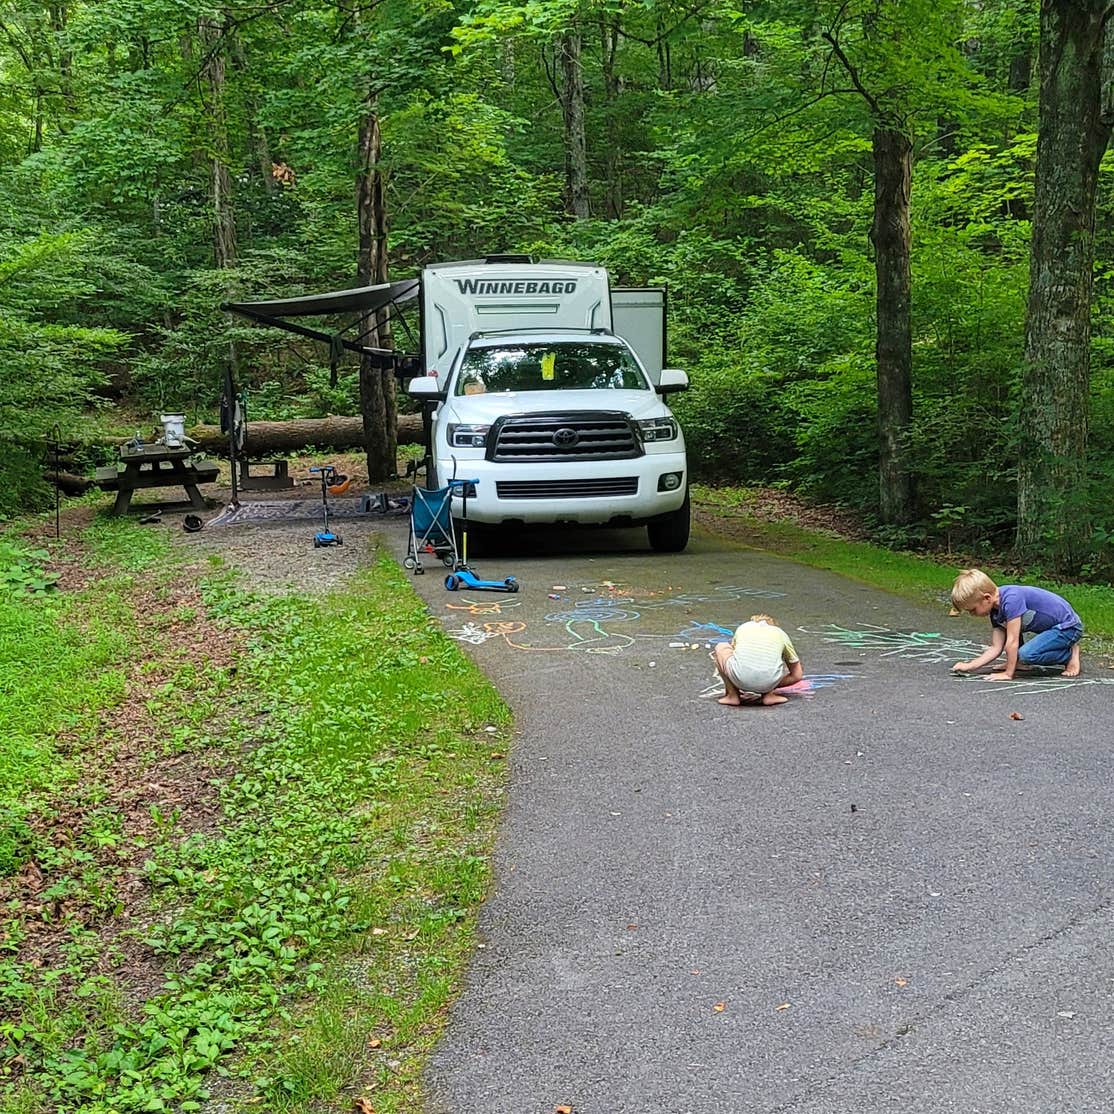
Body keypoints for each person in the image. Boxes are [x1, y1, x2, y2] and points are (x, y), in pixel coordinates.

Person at [950, 568, 1083, 680]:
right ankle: (1018, 662)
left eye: (973, 610)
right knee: (1019, 650)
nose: (972, 614)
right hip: (1051, 630)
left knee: (1027, 654)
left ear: (987, 598)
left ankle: (1069, 654)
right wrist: (970, 666)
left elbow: (1012, 641)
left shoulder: (1011, 600)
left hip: (1068, 627)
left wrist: (1008, 673)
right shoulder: (995, 611)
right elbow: (996, 647)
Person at [714, 613, 804, 707]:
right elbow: (797, 675)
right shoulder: (780, 633)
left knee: (721, 647)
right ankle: (769, 694)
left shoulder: (744, 627)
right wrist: (768, 686)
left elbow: (734, 654)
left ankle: (732, 695)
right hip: (770, 681)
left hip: (739, 677)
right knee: (773, 659)